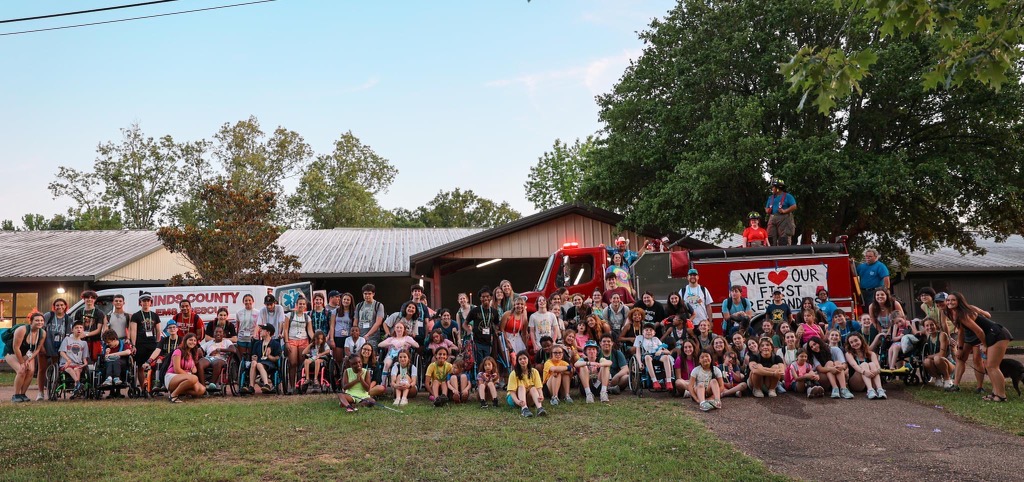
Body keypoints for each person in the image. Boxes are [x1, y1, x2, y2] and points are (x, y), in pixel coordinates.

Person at [943, 291, 1014, 401]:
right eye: (948, 300)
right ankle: (995, 394)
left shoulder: (963, 314)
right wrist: (960, 348)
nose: (950, 302)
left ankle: (1001, 396)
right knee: (990, 366)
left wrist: (984, 345)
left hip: (997, 334)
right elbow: (961, 332)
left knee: (992, 366)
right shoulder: (956, 313)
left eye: (953, 300)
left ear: (959, 301)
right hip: (991, 335)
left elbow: (979, 331)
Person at [5, 312, 46, 402]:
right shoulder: (22, 330)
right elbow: (16, 348)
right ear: (31, 321)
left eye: (41, 320)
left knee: (31, 371)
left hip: (28, 354)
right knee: (21, 370)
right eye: (37, 320)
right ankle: (16, 395)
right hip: (12, 352)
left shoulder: (42, 333)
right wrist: (22, 362)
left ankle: (23, 394)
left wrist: (29, 359)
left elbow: (37, 349)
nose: (40, 322)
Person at [40, 298, 72, 400]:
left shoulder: (68, 319)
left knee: (56, 367)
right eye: (57, 305)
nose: (59, 307)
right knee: (42, 369)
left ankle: (54, 388)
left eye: (62, 305)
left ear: (65, 306)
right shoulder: (48, 316)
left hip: (59, 346)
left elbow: (68, 335)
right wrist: (41, 346)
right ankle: (40, 393)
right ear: (54, 306)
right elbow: (41, 331)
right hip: (46, 344)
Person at [130, 293, 162, 388]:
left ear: (150, 303)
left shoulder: (155, 315)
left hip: (152, 343)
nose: (146, 303)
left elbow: (158, 330)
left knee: (153, 365)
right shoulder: (136, 316)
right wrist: (134, 345)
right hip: (140, 344)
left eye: (148, 301)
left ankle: (151, 386)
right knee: (140, 366)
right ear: (140, 303)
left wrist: (158, 344)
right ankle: (143, 387)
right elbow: (133, 331)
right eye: (144, 301)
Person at [465, 287, 500, 372]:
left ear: (491, 297)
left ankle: (488, 377)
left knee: (488, 361)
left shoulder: (494, 312)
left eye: (487, 296)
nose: (485, 298)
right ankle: (481, 378)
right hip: (477, 341)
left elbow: (497, 324)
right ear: (480, 298)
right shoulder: (475, 311)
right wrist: (469, 331)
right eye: (483, 297)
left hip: (489, 342)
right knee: (480, 361)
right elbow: (464, 324)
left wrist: (496, 331)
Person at [282, 297, 312, 392]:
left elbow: (310, 331)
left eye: (303, 304)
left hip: (303, 340)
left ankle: (300, 384)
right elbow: (285, 329)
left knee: (301, 364)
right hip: (292, 340)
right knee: (293, 363)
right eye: (300, 304)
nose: (301, 305)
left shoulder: (307, 317)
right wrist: (286, 342)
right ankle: (292, 385)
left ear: (305, 306)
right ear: (296, 305)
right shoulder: (289, 315)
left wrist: (315, 339)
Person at [166, 333, 206, 403]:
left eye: (194, 340)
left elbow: (194, 370)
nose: (192, 342)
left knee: (201, 390)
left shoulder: (192, 353)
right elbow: (177, 369)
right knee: (194, 378)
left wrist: (193, 369)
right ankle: (173, 395)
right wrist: (191, 377)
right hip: (172, 376)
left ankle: (180, 391)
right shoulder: (178, 351)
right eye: (190, 340)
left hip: (187, 378)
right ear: (185, 340)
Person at [845, 332, 885, 399]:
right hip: (857, 383)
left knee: (872, 364)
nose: (854, 344)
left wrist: (876, 371)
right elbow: (854, 365)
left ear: (861, 340)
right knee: (864, 364)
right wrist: (864, 372)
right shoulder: (849, 354)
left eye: (856, 340)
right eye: (851, 342)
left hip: (872, 382)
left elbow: (878, 367)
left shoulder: (871, 354)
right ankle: (870, 390)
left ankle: (880, 389)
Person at [634, 322, 673, 391]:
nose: (648, 331)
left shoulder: (656, 339)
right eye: (646, 330)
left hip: (657, 355)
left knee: (666, 357)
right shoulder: (639, 338)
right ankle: (654, 381)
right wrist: (639, 363)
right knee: (647, 357)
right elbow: (638, 352)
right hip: (646, 356)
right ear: (643, 332)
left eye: (651, 330)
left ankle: (669, 381)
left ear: (654, 333)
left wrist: (660, 351)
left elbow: (667, 351)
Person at [507, 351, 546, 417]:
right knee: (521, 387)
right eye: (520, 359)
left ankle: (540, 408)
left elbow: (539, 387)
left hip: (528, 397)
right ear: (517, 361)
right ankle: (524, 409)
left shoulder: (534, 371)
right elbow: (512, 392)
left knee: (533, 388)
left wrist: (541, 395)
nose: (523, 360)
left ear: (528, 359)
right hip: (515, 399)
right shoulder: (514, 373)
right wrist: (517, 401)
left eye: (524, 358)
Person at [920, 317, 954, 389]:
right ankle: (938, 378)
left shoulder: (942, 335)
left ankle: (947, 379)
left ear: (936, 325)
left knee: (937, 358)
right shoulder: (928, 336)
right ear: (924, 327)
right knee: (926, 361)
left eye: (932, 325)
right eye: (927, 326)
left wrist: (929, 356)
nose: (930, 327)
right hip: (935, 362)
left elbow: (942, 354)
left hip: (948, 363)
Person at [75, 290, 107, 367]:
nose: (89, 299)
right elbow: (75, 327)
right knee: (80, 359)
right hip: (81, 340)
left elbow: (99, 329)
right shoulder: (79, 312)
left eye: (92, 298)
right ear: (83, 299)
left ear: (95, 300)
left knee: (95, 360)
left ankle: (93, 376)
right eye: (87, 297)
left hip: (95, 340)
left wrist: (86, 334)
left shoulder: (99, 313)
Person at [58, 321, 90, 398]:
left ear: (83, 330)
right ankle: (78, 383)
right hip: (66, 364)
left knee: (77, 369)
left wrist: (84, 364)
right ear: (72, 330)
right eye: (76, 328)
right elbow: (61, 352)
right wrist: (68, 360)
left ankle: (76, 388)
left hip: (77, 364)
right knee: (69, 369)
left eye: (81, 328)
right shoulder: (67, 339)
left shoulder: (84, 343)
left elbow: (84, 358)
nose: (78, 329)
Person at [197, 326, 233, 391]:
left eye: (220, 332)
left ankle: (212, 384)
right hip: (209, 358)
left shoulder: (227, 341)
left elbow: (233, 349)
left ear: (223, 334)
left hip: (221, 359)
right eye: (216, 332)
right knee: (200, 363)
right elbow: (200, 349)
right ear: (213, 334)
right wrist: (199, 351)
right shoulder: (209, 343)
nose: (218, 334)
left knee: (218, 363)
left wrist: (219, 350)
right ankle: (203, 386)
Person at [764, 178, 797, 246]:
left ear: (778, 188)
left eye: (773, 187)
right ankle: (771, 252)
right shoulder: (771, 198)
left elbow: (794, 206)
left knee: (784, 238)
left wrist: (785, 210)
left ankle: (785, 253)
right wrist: (767, 210)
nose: (772, 189)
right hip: (772, 217)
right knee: (770, 237)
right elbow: (766, 208)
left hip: (784, 218)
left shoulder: (788, 196)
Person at [249, 324, 281, 394]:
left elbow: (277, 358)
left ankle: (266, 384)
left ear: (268, 332)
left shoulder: (275, 344)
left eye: (263, 330)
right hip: (259, 362)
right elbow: (254, 355)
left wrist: (269, 356)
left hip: (270, 363)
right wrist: (254, 357)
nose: (260, 331)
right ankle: (251, 386)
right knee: (254, 363)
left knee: (259, 365)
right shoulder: (257, 343)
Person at [329, 292, 356, 361]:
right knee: (338, 359)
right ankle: (339, 372)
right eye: (344, 299)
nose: (346, 301)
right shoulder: (336, 311)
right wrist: (331, 339)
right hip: (338, 337)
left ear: (351, 301)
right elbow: (332, 325)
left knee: (348, 359)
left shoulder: (354, 312)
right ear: (341, 300)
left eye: (348, 300)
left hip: (348, 337)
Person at [235, 294, 259, 361]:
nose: (248, 302)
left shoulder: (258, 312)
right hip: (242, 338)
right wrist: (237, 335)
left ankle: (251, 370)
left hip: (252, 338)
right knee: (242, 358)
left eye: (249, 300)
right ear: (243, 302)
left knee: (251, 357)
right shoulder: (239, 312)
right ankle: (243, 370)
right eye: (246, 300)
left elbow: (259, 325)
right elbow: (237, 325)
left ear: (253, 301)